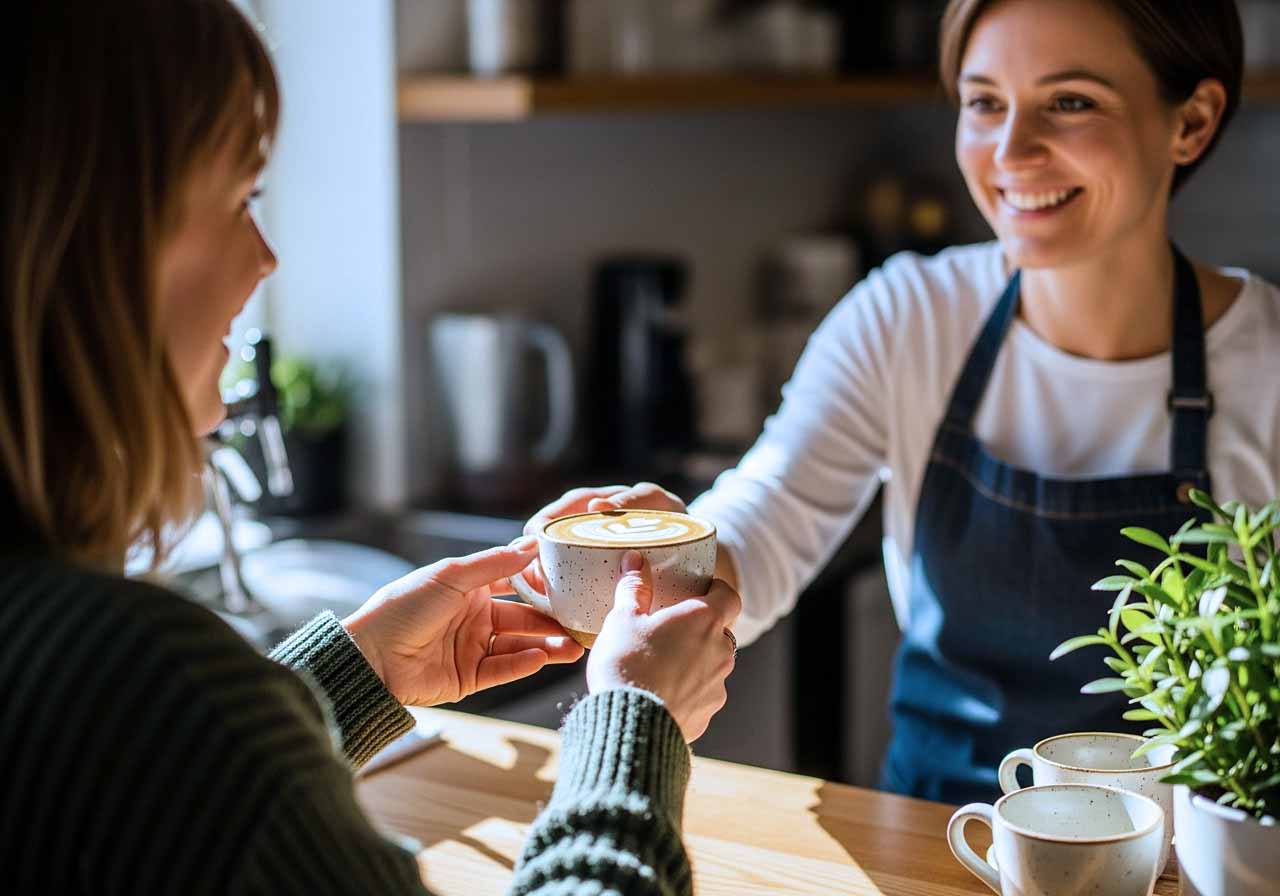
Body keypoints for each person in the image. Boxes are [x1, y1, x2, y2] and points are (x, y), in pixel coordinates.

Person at [0, 3, 739, 893]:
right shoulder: (159, 688)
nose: (266, 259)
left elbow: (146, 807)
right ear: (96, 244)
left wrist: (349, 679)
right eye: (242, 200)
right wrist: (636, 722)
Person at [529, 0, 1280, 804]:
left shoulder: (1267, 363)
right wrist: (665, 564)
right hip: (934, 842)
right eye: (984, 102)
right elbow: (774, 507)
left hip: (1182, 866)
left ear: (1191, 123)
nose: (1011, 151)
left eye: (1070, 101)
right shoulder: (908, 317)